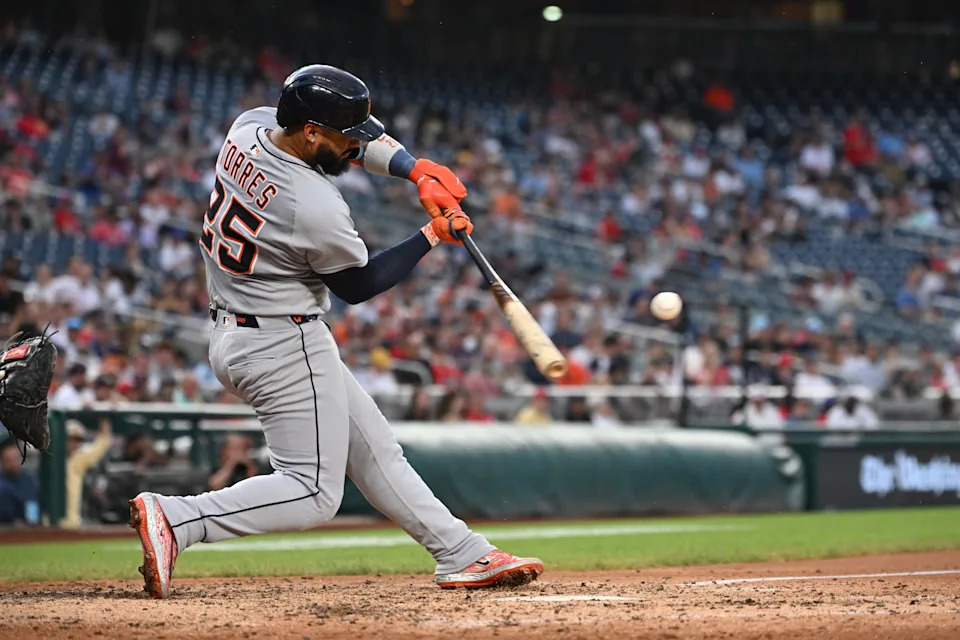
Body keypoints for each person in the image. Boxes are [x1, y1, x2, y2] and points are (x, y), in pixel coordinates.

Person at [129, 64, 542, 599]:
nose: (355, 147)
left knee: (375, 450)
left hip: (246, 328)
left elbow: (353, 144)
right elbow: (359, 285)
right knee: (312, 492)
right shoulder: (311, 203)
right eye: (344, 137)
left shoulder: (248, 129)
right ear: (310, 133)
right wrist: (432, 234)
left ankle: (460, 553)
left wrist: (415, 170)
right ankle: (179, 519)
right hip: (281, 341)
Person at [62, 418, 113, 529]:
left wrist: (104, 416)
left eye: (77, 440)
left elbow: (103, 442)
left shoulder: (79, 458)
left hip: (71, 521)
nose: (74, 443)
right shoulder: (51, 456)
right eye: (71, 439)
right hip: (48, 519)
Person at [0, 439, 40, 525]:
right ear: (2, 462)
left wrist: (31, 522)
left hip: (26, 527)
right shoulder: (2, 482)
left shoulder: (28, 480)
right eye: (8, 460)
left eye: (15, 459)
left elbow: (32, 502)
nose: (12, 463)